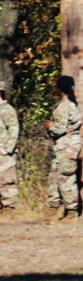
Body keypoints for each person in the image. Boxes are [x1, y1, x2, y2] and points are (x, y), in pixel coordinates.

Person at [45, 75, 82, 220]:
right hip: (68, 145)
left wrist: (50, 126)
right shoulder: (73, 104)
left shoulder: (63, 106)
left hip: (66, 145)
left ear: (59, 88)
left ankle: (71, 212)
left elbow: (59, 129)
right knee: (56, 174)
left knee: (65, 177)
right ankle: (53, 209)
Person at [0, 85, 19, 215]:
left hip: (4, 153)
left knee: (6, 181)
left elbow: (13, 129)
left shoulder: (7, 110)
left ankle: (9, 210)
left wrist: (6, 149)